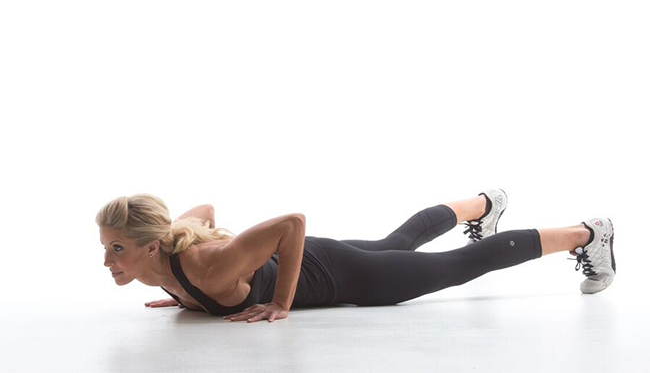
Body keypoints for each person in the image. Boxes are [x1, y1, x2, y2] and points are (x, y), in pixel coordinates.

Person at [97, 190, 616, 323]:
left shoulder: (210, 268)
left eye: (117, 249)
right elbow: (203, 211)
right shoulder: (162, 262)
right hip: (326, 258)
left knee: (459, 266)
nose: (108, 261)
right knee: (399, 242)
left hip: (349, 280)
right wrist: (181, 295)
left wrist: (280, 303)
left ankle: (587, 235)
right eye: (105, 248)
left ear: (152, 245)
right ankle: (484, 204)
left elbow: (292, 224)